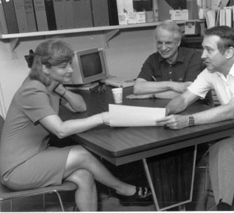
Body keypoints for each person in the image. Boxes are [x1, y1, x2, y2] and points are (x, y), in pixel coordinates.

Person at [0, 39, 152, 211]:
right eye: (63, 67)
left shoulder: (47, 85)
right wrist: (102, 117)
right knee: (81, 154)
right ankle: (123, 189)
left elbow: (80, 107)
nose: (71, 70)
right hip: (17, 169)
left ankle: (120, 191)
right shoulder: (33, 90)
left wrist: (61, 89)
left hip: (34, 156)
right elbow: (61, 130)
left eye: (69, 65)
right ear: (45, 68)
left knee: (84, 176)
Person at [156, 26, 234, 210]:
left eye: (209, 49)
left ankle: (224, 207)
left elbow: (233, 110)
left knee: (220, 165)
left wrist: (188, 120)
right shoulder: (211, 71)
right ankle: (224, 206)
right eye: (203, 49)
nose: (202, 55)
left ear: (229, 52)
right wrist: (163, 114)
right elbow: (184, 99)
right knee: (218, 153)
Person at [127, 20, 205, 100]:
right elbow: (138, 88)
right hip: (161, 108)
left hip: (193, 108)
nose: (163, 48)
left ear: (178, 42)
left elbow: (190, 93)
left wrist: (152, 95)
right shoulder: (153, 59)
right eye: (160, 43)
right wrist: (172, 85)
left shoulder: (194, 57)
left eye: (168, 43)